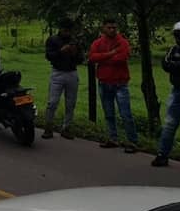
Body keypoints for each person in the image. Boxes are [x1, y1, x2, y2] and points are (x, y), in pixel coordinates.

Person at [88, 18, 138, 153]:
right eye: (109, 27)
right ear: (103, 28)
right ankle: (113, 138)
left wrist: (103, 58)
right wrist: (111, 54)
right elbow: (92, 57)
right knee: (109, 114)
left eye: (114, 27)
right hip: (104, 83)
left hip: (120, 83)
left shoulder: (122, 42)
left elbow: (122, 58)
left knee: (125, 114)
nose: (112, 30)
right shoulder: (98, 42)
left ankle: (132, 142)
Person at [152, 20, 180, 167]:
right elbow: (166, 64)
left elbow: (173, 67)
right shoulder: (173, 50)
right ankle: (162, 155)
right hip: (178, 93)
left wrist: (178, 67)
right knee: (169, 125)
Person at [42, 17, 84, 140]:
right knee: (52, 102)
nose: (67, 32)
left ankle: (66, 128)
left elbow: (81, 59)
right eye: (65, 30)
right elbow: (49, 56)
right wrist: (61, 51)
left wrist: (74, 53)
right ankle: (48, 127)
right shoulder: (53, 40)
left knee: (71, 103)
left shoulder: (75, 41)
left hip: (72, 72)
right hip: (58, 72)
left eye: (69, 30)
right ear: (60, 29)